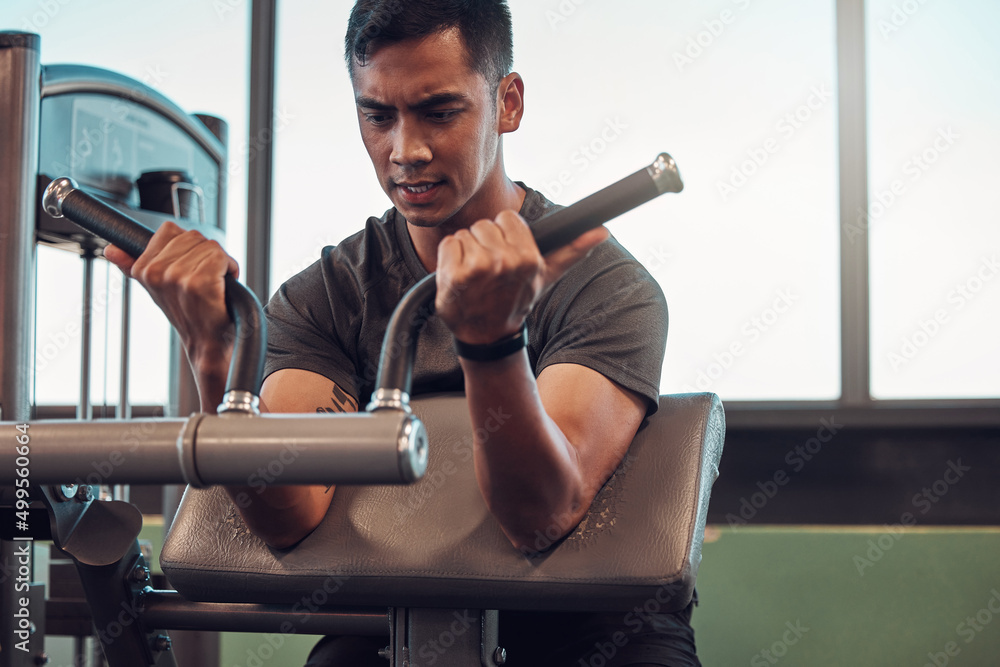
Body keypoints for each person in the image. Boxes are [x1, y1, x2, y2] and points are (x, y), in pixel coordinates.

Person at [105, 1, 698, 664]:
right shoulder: (323, 295)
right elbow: (289, 513)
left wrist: (491, 343)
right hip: (385, 614)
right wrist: (216, 358)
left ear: (508, 103)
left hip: (589, 627)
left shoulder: (606, 285)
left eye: (439, 111)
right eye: (377, 115)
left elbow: (539, 519)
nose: (405, 150)